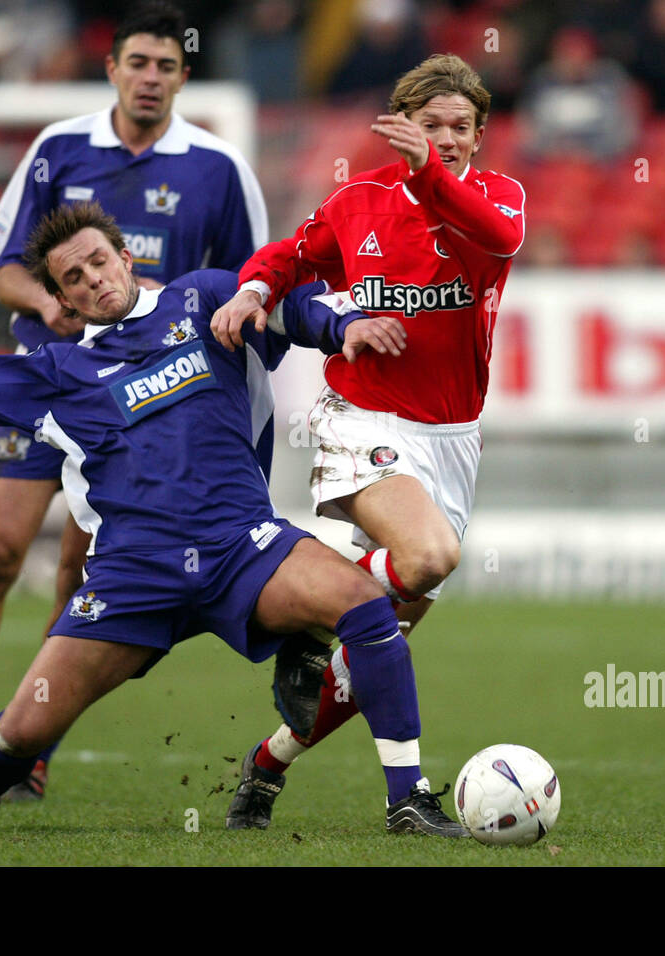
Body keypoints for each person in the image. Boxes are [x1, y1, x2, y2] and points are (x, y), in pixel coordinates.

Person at [0, 202, 465, 837]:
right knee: (21, 732)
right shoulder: (60, 370)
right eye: (74, 277)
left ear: (126, 256)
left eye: (100, 261)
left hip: (241, 549)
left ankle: (406, 798)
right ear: (63, 299)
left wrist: (345, 328)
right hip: (132, 577)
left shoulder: (207, 299)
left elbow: (293, 305)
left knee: (368, 609)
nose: (93, 279)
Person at [0, 1, 267, 801]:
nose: (150, 78)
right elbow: (4, 273)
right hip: (48, 383)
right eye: (137, 63)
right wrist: (52, 305)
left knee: (80, 571)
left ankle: (33, 746)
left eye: (165, 66)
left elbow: (245, 298)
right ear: (112, 68)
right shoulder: (58, 148)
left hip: (142, 402)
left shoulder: (219, 169)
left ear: (184, 75)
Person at [210, 53, 525, 829]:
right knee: (426, 560)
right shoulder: (359, 202)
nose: (445, 138)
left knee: (373, 646)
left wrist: (429, 177)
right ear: (402, 128)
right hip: (362, 422)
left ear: (480, 137)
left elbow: (499, 238)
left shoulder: (496, 201)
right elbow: (292, 256)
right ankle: (310, 612)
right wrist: (253, 288)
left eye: (460, 127)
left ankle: (269, 763)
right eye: (430, 125)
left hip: (451, 440)